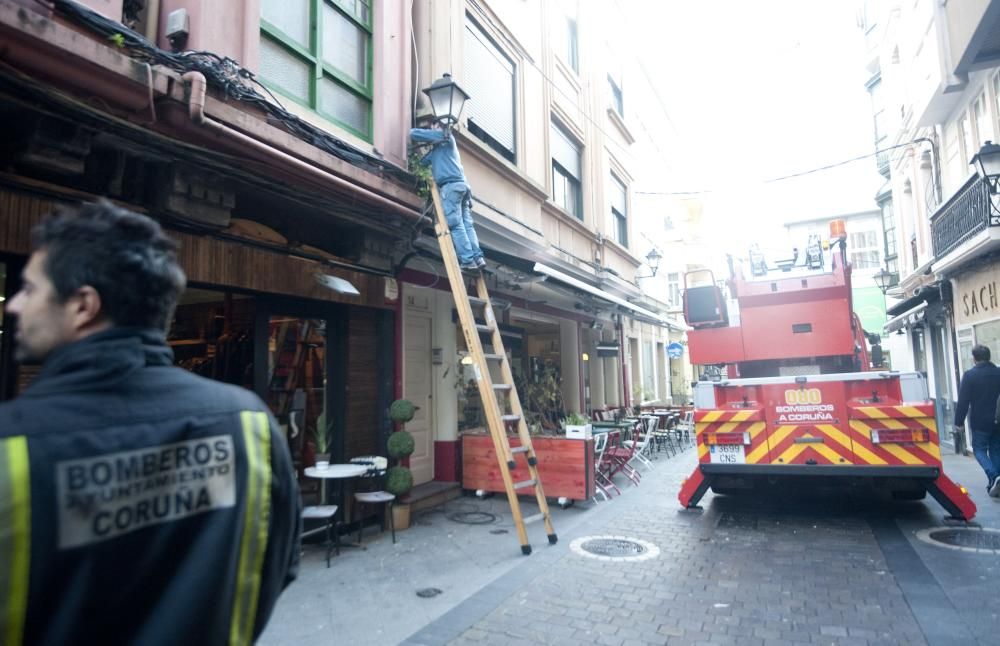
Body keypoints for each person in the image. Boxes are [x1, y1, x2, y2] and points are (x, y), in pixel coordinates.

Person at [0, 201, 301, 646]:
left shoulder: (14, 446)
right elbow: (277, 565)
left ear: (84, 305)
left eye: (28, 289)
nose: (15, 305)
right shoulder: (248, 424)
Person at [410, 121, 486, 271]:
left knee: (455, 224)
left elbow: (414, 134)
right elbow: (423, 162)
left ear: (438, 126)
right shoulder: (439, 149)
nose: (432, 129)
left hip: (451, 187)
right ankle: (478, 258)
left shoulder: (445, 136)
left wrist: (412, 133)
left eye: (433, 126)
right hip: (462, 187)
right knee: (466, 224)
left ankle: (468, 260)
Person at [954, 344, 1000, 497]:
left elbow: (963, 401)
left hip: (980, 421)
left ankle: (994, 476)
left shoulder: (970, 375)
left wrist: (959, 422)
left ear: (974, 359)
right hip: (998, 420)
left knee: (979, 449)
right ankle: (995, 482)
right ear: (989, 357)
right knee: (995, 450)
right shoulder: (998, 373)